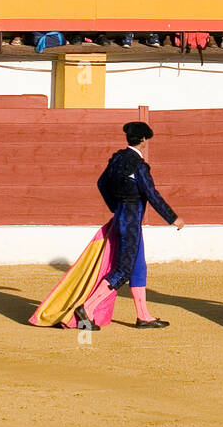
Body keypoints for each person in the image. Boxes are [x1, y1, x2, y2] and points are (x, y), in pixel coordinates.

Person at [69, 122, 183, 331]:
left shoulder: (118, 159)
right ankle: (87, 308)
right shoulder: (139, 165)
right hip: (131, 221)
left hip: (122, 216)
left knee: (138, 267)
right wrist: (172, 218)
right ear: (143, 141)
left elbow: (101, 183)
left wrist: (116, 206)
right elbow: (151, 194)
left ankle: (143, 316)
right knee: (124, 268)